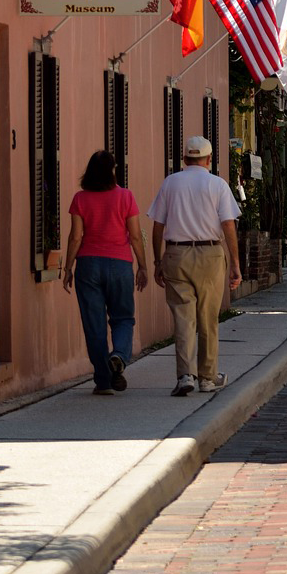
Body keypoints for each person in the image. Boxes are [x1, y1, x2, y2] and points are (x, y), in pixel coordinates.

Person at [149, 136, 242, 397]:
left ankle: (185, 375)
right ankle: (208, 377)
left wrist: (158, 260)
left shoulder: (170, 183)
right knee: (208, 319)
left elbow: (157, 225)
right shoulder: (217, 185)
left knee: (183, 318)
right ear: (209, 159)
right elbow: (228, 225)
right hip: (210, 253)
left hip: (176, 253)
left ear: (184, 159)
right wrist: (235, 262)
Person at [62, 151, 148, 395]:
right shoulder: (126, 196)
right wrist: (142, 265)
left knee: (94, 325)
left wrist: (68, 267)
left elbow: (76, 237)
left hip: (88, 266)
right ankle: (119, 355)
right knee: (122, 318)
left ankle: (103, 380)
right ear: (113, 170)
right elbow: (134, 235)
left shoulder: (80, 199)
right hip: (119, 265)